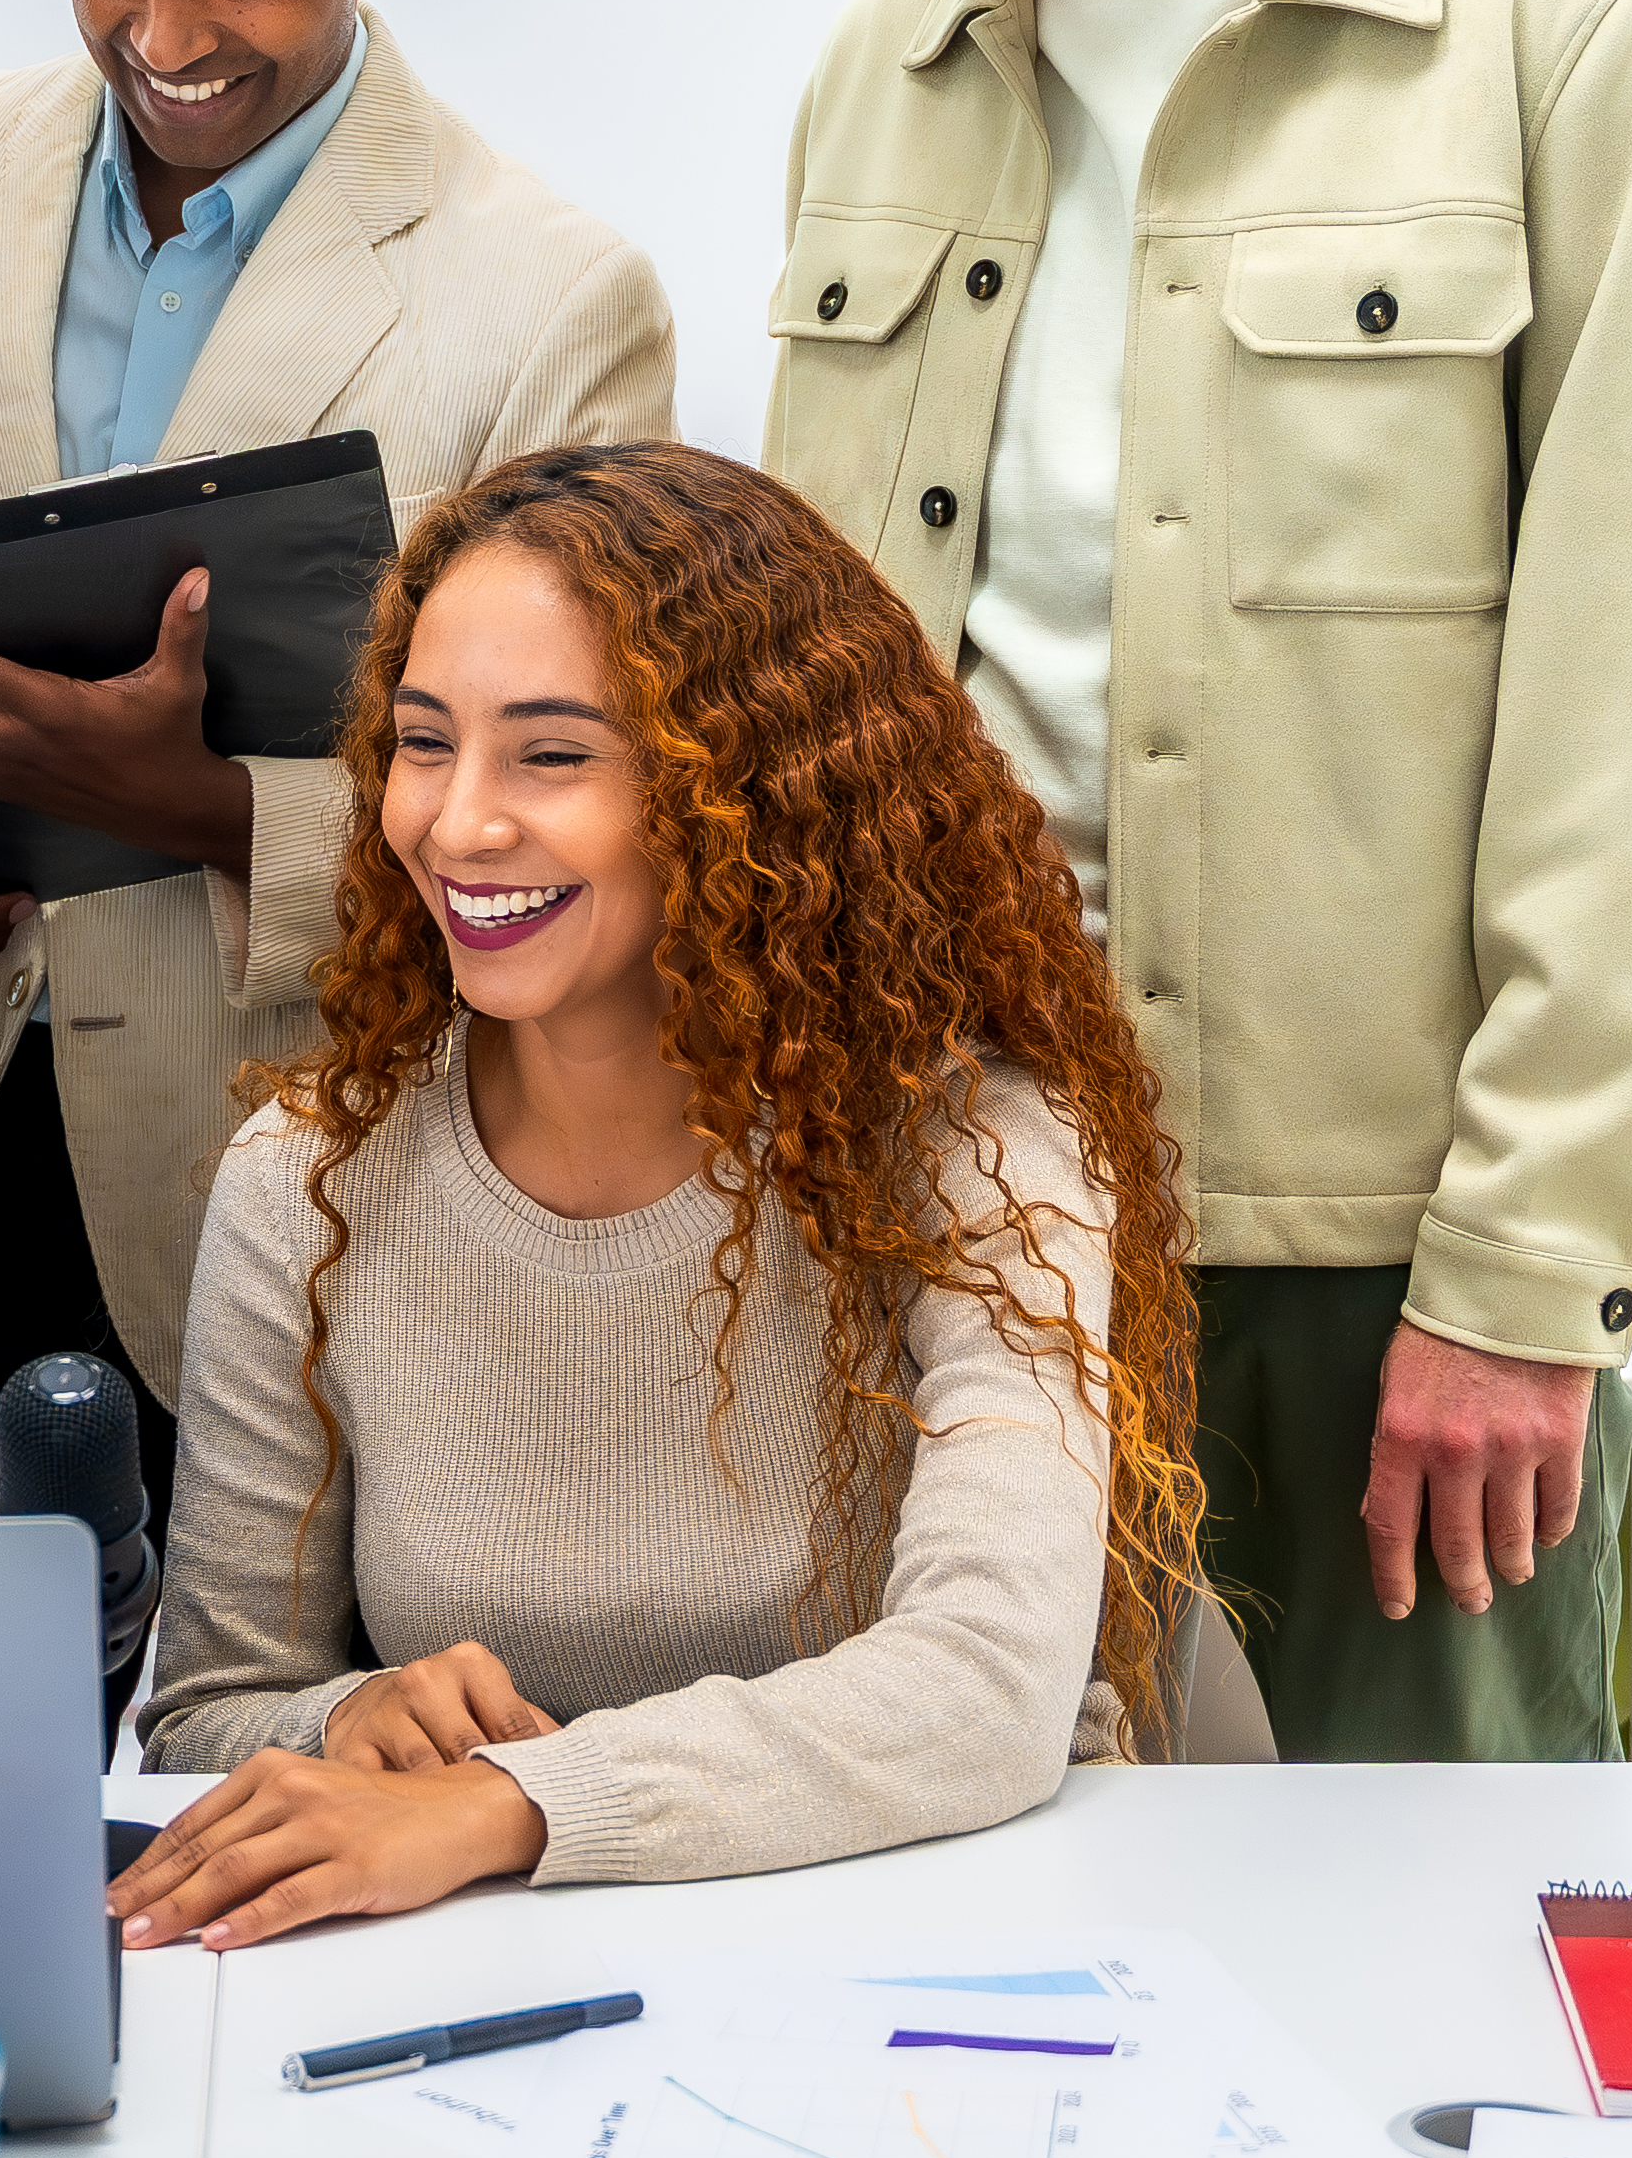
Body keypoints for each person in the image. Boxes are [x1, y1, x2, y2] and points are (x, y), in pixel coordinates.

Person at [763, 0, 1632, 1769]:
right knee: (971, 1965)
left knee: (1424, 1980)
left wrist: (1529, 1270)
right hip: (938, 1202)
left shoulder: (1572, 14)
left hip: (1366, 1252)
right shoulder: (882, 67)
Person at [107, 443, 1223, 1952]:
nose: (456, 823)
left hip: (949, 1954)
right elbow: (205, 1719)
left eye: (551, 755)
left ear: (744, 793)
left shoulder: (979, 1157)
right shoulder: (306, 1186)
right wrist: (353, 1717)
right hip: (500, 1989)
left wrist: (514, 1800)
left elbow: (984, 1688)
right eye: (424, 744)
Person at [0, 0, 673, 1472]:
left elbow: (588, 809)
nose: (164, 29)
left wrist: (194, 807)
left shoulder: (552, 300)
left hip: (302, 1188)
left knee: (253, 1754)